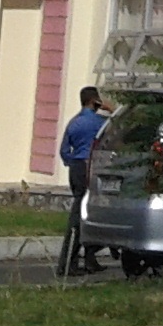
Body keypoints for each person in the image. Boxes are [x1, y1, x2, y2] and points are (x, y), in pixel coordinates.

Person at [58, 86, 110, 273]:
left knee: (83, 211)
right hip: (91, 168)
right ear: (95, 101)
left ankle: (89, 259)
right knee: (85, 214)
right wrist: (111, 110)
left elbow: (64, 151)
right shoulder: (100, 122)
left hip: (76, 168)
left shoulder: (74, 122)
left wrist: (73, 162)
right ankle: (68, 264)